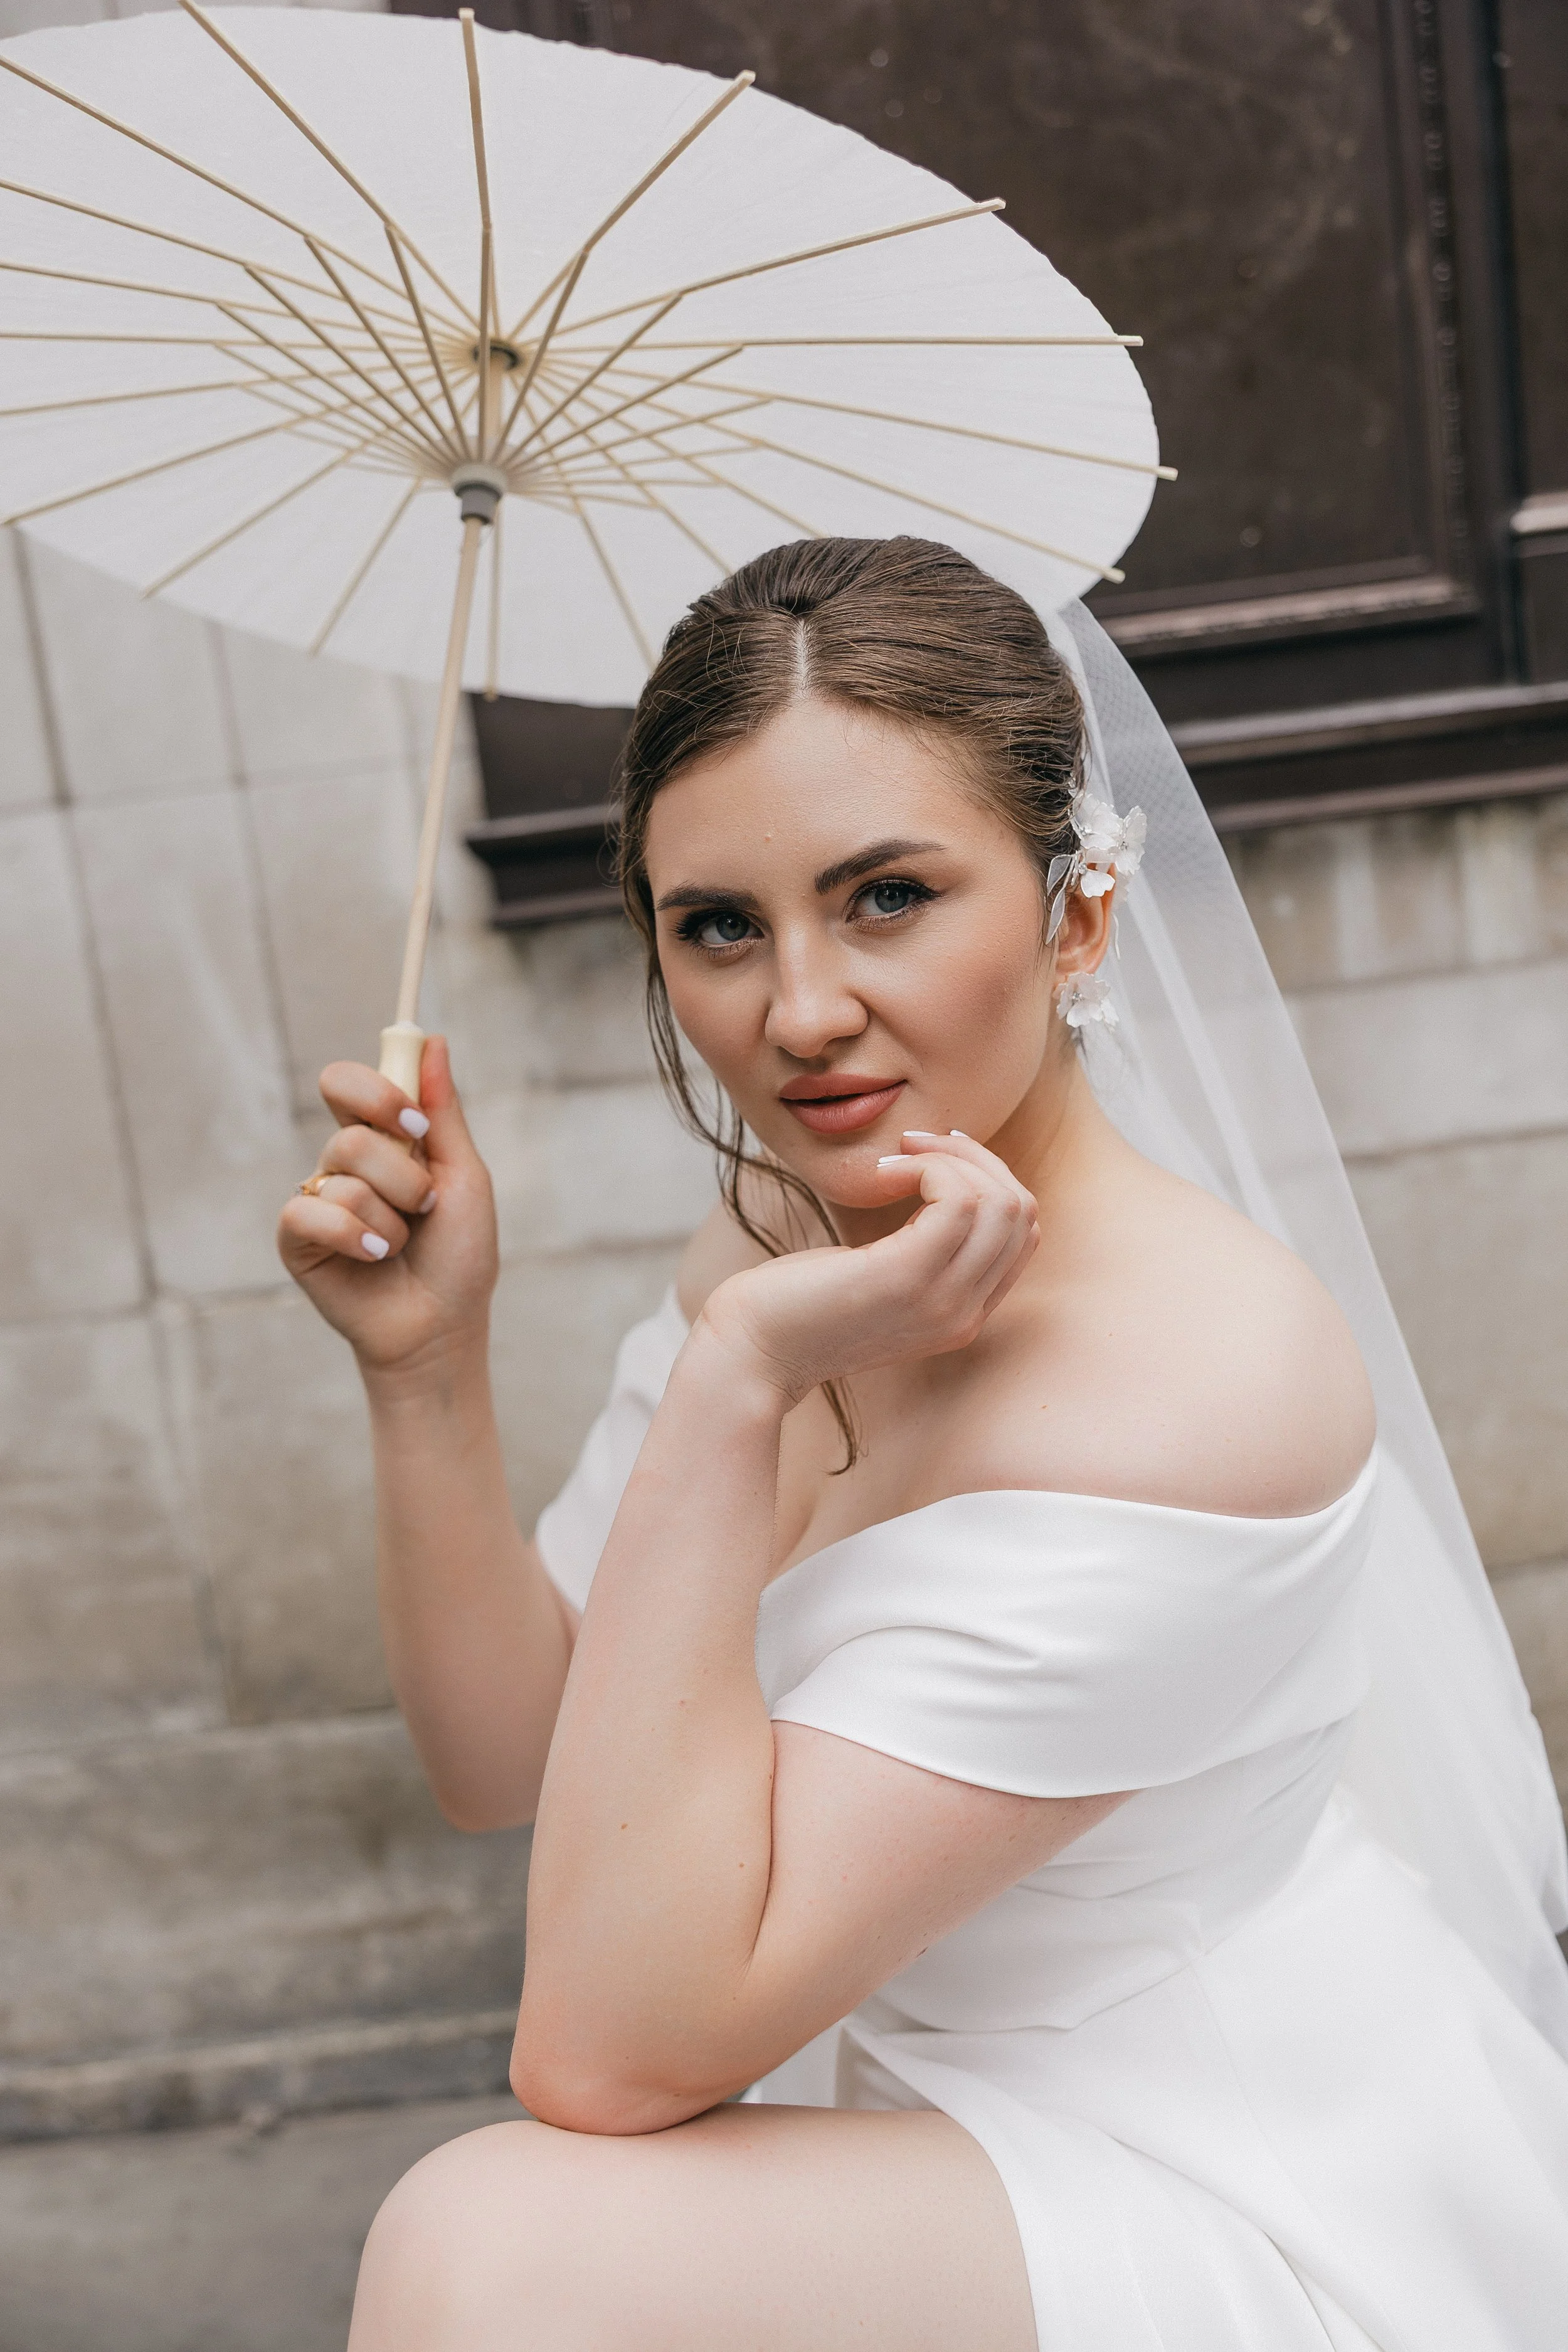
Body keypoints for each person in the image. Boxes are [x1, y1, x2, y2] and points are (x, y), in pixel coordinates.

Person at [280, 538, 1568, 2351]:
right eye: (716, 922)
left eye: (884, 896)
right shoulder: (777, 1235)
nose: (795, 1011)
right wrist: (424, 1368)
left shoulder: (1197, 1380)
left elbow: (603, 2051)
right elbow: (511, 1751)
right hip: (911, 2119)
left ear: (1076, 919)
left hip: (1230, 2174)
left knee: (485, 2248)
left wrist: (739, 1388)